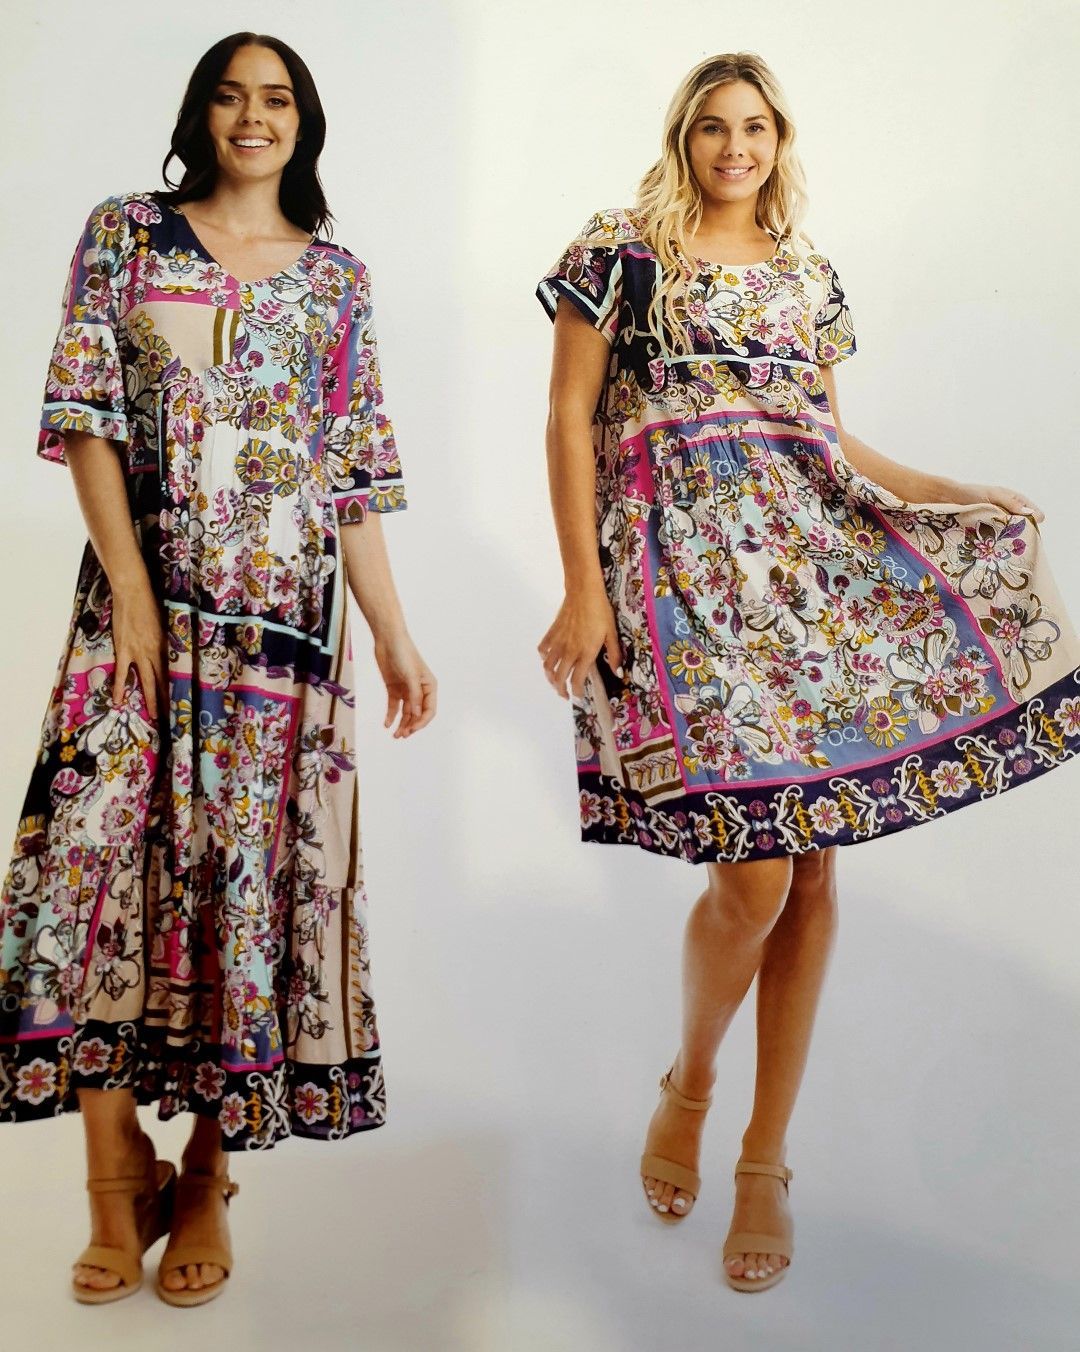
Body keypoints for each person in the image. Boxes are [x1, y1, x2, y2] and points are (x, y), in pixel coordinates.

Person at [536, 51, 1079, 1292]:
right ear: (686, 136)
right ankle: (692, 1082)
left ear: (782, 140)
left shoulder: (807, 275)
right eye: (716, 126)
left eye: (757, 127)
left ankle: (765, 1155)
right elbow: (570, 416)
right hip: (684, 588)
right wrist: (582, 584)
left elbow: (829, 440)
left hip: (812, 581)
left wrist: (947, 491)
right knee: (756, 874)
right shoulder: (620, 249)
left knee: (812, 864)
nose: (737, 146)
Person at [0, 32, 435, 1307]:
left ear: (306, 122)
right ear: (200, 112)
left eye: (279, 99)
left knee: (236, 887)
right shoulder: (126, 231)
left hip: (284, 638)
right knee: (86, 865)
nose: (255, 117)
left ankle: (202, 1173)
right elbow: (85, 416)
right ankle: (107, 1168)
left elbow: (349, 479)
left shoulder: (339, 281)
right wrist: (131, 588)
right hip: (138, 618)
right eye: (232, 97)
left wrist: (397, 631)